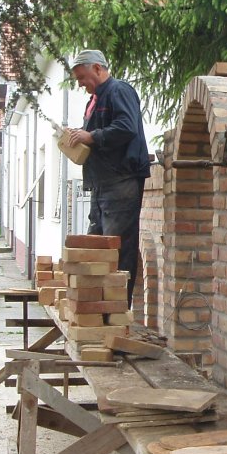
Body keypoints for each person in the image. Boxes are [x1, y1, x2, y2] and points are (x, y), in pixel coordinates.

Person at [65, 49, 151, 309]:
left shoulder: (119, 91)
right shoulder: (94, 100)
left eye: (82, 77)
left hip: (121, 181)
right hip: (102, 184)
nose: (80, 84)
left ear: (97, 68)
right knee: (98, 247)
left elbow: (127, 127)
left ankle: (116, 312)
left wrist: (91, 136)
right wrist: (78, 137)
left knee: (117, 249)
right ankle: (99, 309)